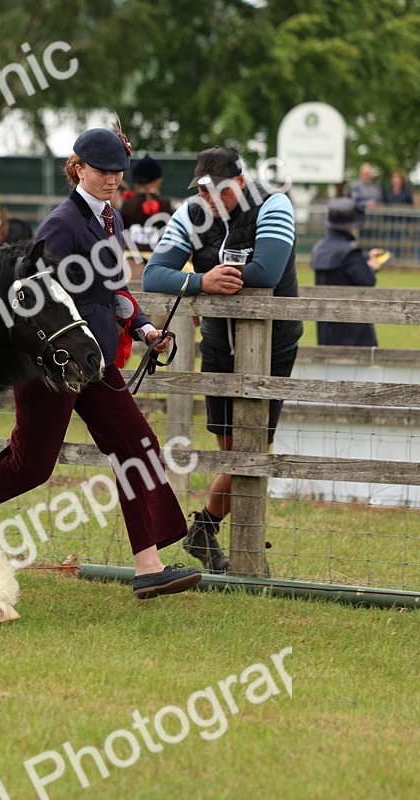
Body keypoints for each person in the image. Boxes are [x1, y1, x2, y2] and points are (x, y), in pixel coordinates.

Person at [0, 127, 201, 600]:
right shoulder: (61, 225)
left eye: (118, 171)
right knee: (30, 466)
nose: (112, 179)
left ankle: (148, 567)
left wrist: (144, 329)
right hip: (54, 363)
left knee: (137, 445)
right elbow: (43, 299)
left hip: (95, 360)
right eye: (103, 171)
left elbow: (113, 290)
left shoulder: (111, 219)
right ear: (78, 169)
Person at [141, 146, 303, 575]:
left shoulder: (274, 203)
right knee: (232, 451)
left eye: (221, 191)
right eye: (204, 191)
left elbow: (267, 272)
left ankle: (221, 538)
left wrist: (202, 283)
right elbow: (154, 274)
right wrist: (201, 281)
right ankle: (211, 535)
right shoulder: (192, 214)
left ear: (241, 181)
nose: (211, 200)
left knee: (252, 449)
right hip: (217, 346)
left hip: (273, 345)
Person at [311, 198, 384, 347]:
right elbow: (368, 280)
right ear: (351, 224)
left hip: (326, 325)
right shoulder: (350, 253)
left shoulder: (319, 249)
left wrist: (364, 256)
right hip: (352, 326)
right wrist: (371, 266)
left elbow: (340, 262)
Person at [120, 155, 174, 252]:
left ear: (135, 182)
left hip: (131, 256)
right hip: (159, 256)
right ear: (157, 181)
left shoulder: (127, 204)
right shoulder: (166, 205)